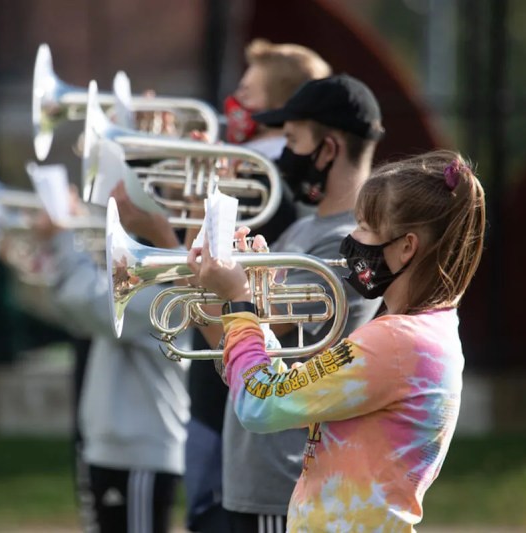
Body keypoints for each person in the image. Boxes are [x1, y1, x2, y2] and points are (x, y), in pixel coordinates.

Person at [123, 73, 385, 533]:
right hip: (254, 471)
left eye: (292, 139)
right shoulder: (306, 229)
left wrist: (162, 234)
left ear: (329, 149)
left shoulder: (343, 248)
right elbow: (219, 321)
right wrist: (196, 214)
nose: (284, 152)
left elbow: (235, 340)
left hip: (280, 476)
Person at [187, 149, 487, 531]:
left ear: (406, 247)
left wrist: (240, 303)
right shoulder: (422, 333)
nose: (351, 238)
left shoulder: (395, 342)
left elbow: (259, 407)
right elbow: (285, 395)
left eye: (364, 227)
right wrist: (255, 317)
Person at [184, 39, 331, 533]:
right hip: (228, 389)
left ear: (277, 107)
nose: (234, 102)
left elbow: (243, 306)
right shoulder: (250, 173)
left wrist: (191, 221)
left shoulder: (268, 190)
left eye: (247, 90)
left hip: (240, 393)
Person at [33, 189, 190, 533]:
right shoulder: (149, 276)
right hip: (114, 447)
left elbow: (94, 306)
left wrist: (61, 238)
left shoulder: (168, 288)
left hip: (141, 452)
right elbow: (72, 310)